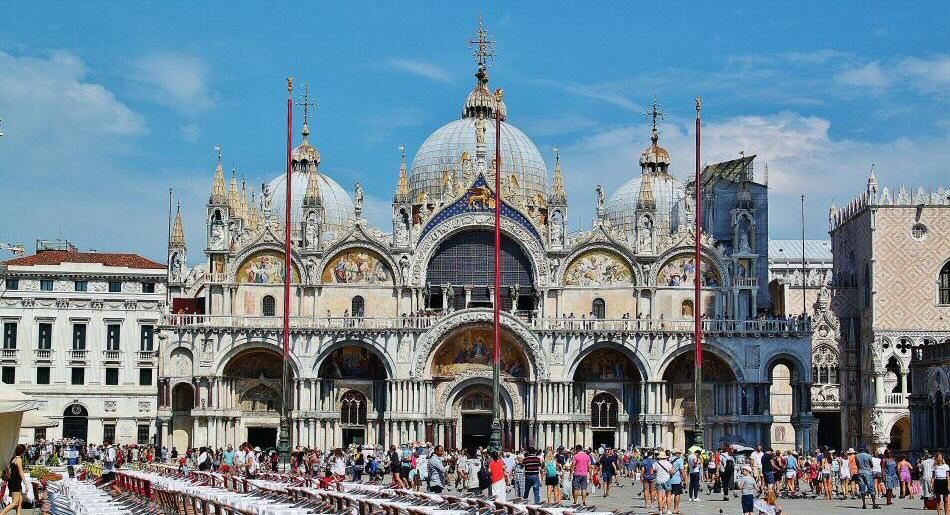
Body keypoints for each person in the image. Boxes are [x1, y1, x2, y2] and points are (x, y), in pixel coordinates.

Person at [1, 444, 26, 515]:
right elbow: (21, 473)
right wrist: (26, 484)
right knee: (15, 503)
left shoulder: (12, 459)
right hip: (16, 482)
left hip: (12, 482)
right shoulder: (18, 459)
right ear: (22, 451)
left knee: (19, 503)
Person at [653, 450, 672, 515]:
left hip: (658, 480)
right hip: (666, 480)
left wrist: (657, 472)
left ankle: (660, 511)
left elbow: (651, 472)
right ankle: (668, 510)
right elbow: (672, 471)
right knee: (668, 496)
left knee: (659, 496)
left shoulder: (656, 463)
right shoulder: (668, 463)